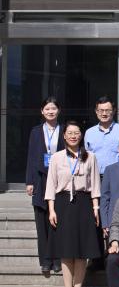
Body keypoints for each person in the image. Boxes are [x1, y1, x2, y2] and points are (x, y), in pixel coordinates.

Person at [44, 120, 102, 287]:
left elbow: (95, 184)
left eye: (76, 133)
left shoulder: (90, 156)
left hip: (84, 203)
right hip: (62, 204)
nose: (73, 136)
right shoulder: (56, 157)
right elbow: (51, 184)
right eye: (70, 133)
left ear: (81, 135)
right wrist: (51, 210)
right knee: (66, 250)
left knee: (81, 251)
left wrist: (95, 208)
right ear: (64, 136)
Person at [26, 97, 64, 275]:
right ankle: (45, 261)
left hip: (59, 180)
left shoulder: (64, 130)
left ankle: (57, 259)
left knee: (56, 221)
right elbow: (31, 157)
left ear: (59, 111)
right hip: (40, 179)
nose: (50, 111)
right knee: (41, 223)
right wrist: (30, 181)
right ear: (42, 111)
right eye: (47, 109)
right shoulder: (35, 131)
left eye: (53, 108)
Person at [84, 96, 119, 173]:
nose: (104, 114)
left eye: (108, 110)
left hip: (116, 174)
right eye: (101, 110)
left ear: (114, 111)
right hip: (95, 175)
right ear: (96, 111)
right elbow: (86, 156)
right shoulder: (89, 133)